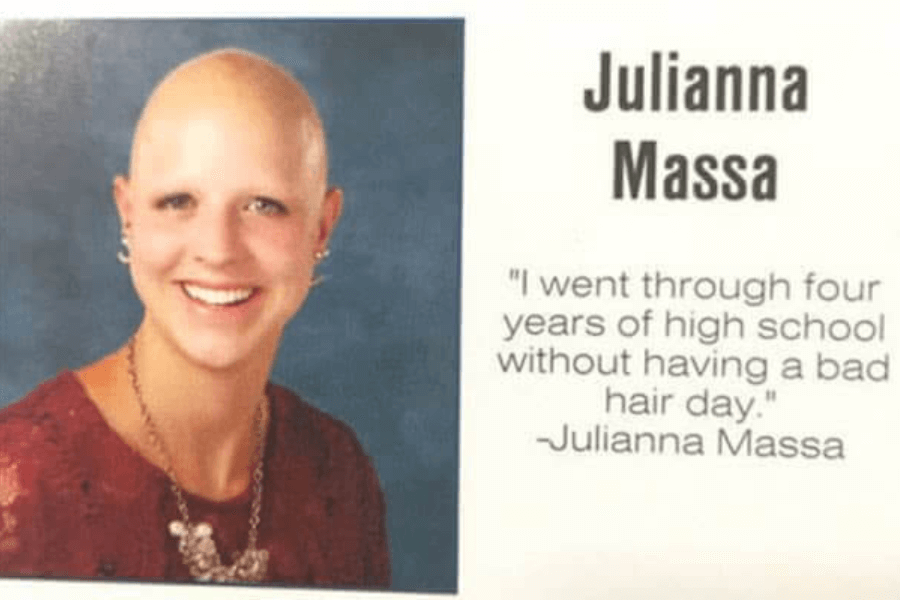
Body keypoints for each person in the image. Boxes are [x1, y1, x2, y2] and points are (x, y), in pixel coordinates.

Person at [0, 48, 390, 586]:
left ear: (321, 228)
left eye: (263, 205)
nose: (218, 249)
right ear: (129, 216)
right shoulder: (18, 482)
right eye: (179, 201)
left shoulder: (339, 473)